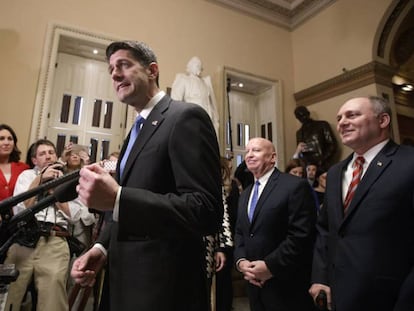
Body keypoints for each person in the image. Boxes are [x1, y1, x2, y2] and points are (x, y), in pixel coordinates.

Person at [71, 41, 223, 311]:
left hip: (164, 290)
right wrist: (101, 248)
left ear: (152, 71)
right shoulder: (135, 131)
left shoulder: (186, 116)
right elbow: (129, 204)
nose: (115, 75)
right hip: (121, 282)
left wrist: (118, 198)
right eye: (111, 69)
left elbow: (206, 209)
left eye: (124, 65)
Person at [309, 96, 414, 311]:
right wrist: (320, 277)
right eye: (339, 118)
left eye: (352, 115)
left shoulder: (409, 162)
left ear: (383, 120)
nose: (342, 123)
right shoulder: (336, 172)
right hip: (338, 297)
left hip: (392, 299)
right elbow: (325, 230)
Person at [234, 137, 316, 311]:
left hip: (285, 285)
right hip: (253, 285)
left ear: (272, 157)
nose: (249, 155)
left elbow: (301, 235)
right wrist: (241, 262)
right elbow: (241, 232)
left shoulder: (294, 186)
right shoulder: (245, 194)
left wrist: (270, 266)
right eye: (247, 151)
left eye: (256, 150)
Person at [4, 139, 82, 311]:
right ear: (34, 160)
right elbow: (19, 210)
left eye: (51, 152)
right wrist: (40, 180)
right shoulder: (27, 176)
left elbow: (75, 215)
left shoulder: (70, 179)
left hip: (55, 242)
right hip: (23, 240)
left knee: (53, 300)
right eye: (42, 153)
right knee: (9, 294)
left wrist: (55, 188)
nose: (48, 156)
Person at [171, 56, 219, 136]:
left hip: (206, 124)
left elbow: (211, 106)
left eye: (199, 65)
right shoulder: (184, 80)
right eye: (196, 64)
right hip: (191, 122)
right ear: (190, 66)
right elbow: (176, 102)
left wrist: (215, 122)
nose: (198, 67)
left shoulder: (205, 83)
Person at [294, 105, 337, 170]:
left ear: (308, 113)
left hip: (323, 166)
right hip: (307, 170)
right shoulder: (299, 133)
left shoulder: (322, 125)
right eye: (300, 117)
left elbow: (332, 145)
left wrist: (322, 160)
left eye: (304, 115)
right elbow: (300, 152)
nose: (303, 118)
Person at [0, 124, 29, 205]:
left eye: (10, 139)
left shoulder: (24, 168)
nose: (6, 143)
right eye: (1, 139)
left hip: (19, 216)